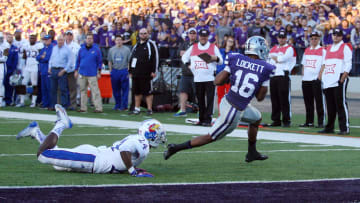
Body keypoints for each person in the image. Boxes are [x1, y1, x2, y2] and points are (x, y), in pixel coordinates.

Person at [164, 36, 274, 163]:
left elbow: (217, 81)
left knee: (256, 118)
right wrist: (265, 80)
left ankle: (252, 152)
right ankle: (175, 148)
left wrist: (231, 72)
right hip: (234, 110)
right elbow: (260, 98)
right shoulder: (266, 68)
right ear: (259, 49)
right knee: (211, 136)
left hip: (228, 101)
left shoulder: (235, 58)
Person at [16, 104, 166, 177]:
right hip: (93, 159)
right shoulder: (143, 142)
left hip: (96, 154)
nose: (160, 137)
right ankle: (62, 124)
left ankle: (36, 132)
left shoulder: (140, 140)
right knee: (43, 155)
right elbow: (124, 149)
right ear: (149, 133)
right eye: (157, 133)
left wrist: (131, 168)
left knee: (57, 165)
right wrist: (132, 171)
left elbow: (125, 152)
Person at [181, 28, 223, 126]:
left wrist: (214, 58)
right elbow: (184, 57)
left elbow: (220, 60)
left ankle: (208, 119)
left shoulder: (213, 47)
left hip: (210, 78)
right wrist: (188, 65)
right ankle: (201, 118)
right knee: (200, 99)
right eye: (202, 36)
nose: (203, 38)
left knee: (210, 100)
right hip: (198, 78)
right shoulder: (194, 47)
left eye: (205, 36)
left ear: (208, 37)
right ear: (199, 37)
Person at [318, 28, 352, 135]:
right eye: (334, 35)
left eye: (338, 35)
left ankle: (344, 128)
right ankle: (330, 127)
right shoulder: (329, 48)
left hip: (338, 79)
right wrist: (321, 76)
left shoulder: (345, 47)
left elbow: (348, 63)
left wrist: (343, 77)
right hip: (328, 79)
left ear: (341, 36)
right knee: (330, 105)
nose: (335, 37)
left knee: (340, 104)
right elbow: (324, 63)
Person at [268, 30, 296, 127]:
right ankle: (276, 120)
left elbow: (282, 59)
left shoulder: (289, 48)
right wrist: (277, 59)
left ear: (286, 38)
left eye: (283, 37)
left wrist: (276, 58)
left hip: (283, 75)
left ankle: (286, 119)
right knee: (274, 99)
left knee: (284, 99)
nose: (281, 39)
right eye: (280, 37)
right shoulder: (274, 48)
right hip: (274, 75)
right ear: (277, 38)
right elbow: (269, 60)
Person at [128, 28, 159, 116]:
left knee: (148, 91)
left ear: (148, 34)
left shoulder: (151, 44)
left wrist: (154, 70)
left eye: (145, 33)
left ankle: (149, 109)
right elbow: (131, 58)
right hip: (136, 72)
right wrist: (130, 70)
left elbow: (155, 57)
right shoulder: (136, 45)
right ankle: (137, 108)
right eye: (141, 34)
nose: (143, 35)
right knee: (137, 91)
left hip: (147, 72)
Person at [299, 31, 326, 128]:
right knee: (308, 101)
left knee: (319, 101)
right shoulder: (307, 50)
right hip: (306, 79)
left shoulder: (322, 50)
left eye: (316, 38)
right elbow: (303, 64)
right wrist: (303, 75)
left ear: (319, 39)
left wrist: (319, 76)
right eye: (312, 38)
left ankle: (321, 121)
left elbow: (324, 64)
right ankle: (309, 121)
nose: (314, 40)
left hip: (315, 79)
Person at [75, 33, 103, 113]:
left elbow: (99, 62)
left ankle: (98, 108)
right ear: (85, 39)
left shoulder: (96, 49)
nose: (89, 40)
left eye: (90, 38)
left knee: (95, 91)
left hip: (92, 73)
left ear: (93, 40)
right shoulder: (81, 49)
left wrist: (99, 72)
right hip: (82, 73)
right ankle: (83, 107)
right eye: (88, 38)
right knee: (82, 90)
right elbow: (78, 60)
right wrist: (76, 70)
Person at [174, 28, 198, 117]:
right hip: (185, 72)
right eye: (190, 33)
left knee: (199, 91)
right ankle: (182, 110)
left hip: (196, 72)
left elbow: (196, 55)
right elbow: (179, 53)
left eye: (194, 33)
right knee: (183, 91)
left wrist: (186, 53)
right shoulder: (184, 44)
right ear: (188, 35)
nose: (192, 35)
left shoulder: (199, 44)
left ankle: (201, 109)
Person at [16, 33, 43, 108]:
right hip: (27, 66)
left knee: (34, 84)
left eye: (33, 38)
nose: (31, 39)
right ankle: (22, 101)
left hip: (35, 66)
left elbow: (41, 55)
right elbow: (24, 57)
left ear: (36, 39)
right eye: (30, 38)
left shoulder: (39, 46)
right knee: (23, 83)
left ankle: (33, 102)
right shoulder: (26, 46)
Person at [108, 35, 131, 111]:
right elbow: (110, 61)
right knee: (115, 89)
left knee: (125, 89)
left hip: (123, 70)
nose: (118, 41)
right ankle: (117, 104)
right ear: (115, 41)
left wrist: (128, 70)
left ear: (122, 41)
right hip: (115, 71)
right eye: (117, 40)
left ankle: (124, 105)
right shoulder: (111, 50)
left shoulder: (127, 50)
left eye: (120, 40)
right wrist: (111, 70)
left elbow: (129, 61)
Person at [48, 35, 72, 109]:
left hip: (62, 70)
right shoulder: (54, 48)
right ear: (57, 41)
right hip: (54, 69)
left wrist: (64, 70)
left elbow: (70, 61)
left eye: (61, 40)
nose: (60, 41)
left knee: (63, 89)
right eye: (59, 40)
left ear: (63, 41)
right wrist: (49, 68)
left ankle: (64, 105)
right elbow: (51, 59)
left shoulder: (67, 49)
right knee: (53, 89)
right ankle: (53, 105)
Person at [64, 30, 81, 111]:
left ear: (72, 36)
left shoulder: (76, 46)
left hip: (72, 69)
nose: (69, 36)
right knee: (63, 88)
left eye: (70, 35)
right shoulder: (61, 45)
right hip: (63, 69)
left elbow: (79, 58)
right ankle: (64, 103)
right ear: (65, 36)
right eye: (67, 35)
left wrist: (77, 70)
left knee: (72, 88)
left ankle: (73, 104)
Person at [36, 35, 53, 109]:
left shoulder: (52, 48)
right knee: (43, 88)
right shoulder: (43, 48)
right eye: (44, 40)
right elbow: (37, 57)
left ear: (50, 40)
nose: (45, 41)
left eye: (46, 40)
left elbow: (47, 58)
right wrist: (41, 57)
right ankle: (45, 103)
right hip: (42, 71)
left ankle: (49, 104)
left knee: (49, 88)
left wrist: (41, 58)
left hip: (48, 71)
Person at [4, 33, 19, 106]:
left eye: (11, 37)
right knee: (3, 84)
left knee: (9, 86)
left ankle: (8, 100)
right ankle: (3, 99)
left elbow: (15, 60)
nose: (9, 39)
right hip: (3, 68)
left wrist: (13, 69)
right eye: (8, 37)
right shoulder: (3, 47)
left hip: (10, 69)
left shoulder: (14, 48)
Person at [0, 32, 10, 107]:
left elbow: (4, 59)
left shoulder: (6, 45)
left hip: (1, 66)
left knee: (0, 83)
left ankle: (0, 100)